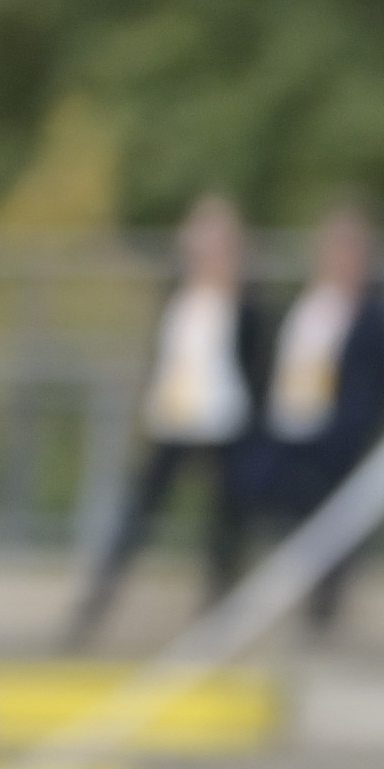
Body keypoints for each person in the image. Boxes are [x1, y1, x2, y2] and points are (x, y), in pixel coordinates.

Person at [67, 195, 265, 644]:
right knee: (140, 510)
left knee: (227, 518)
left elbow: (252, 368)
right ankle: (99, 601)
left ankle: (217, 605)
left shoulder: (243, 305)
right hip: (176, 419)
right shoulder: (179, 297)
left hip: (223, 422)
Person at [240, 198, 384, 634]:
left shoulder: (373, 313)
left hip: (337, 436)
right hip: (292, 426)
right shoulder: (306, 305)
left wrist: (359, 418)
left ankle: (323, 611)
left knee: (334, 523)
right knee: (269, 500)